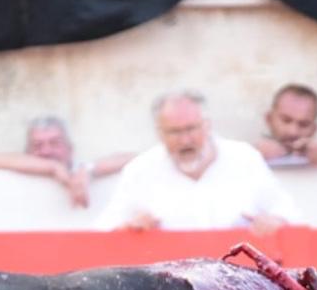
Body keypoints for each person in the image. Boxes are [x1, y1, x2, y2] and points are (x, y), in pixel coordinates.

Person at [96, 90, 300, 234]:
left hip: (236, 282)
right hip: (168, 287)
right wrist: (128, 229)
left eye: (191, 129)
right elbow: (102, 233)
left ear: (207, 125)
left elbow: (289, 212)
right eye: (174, 132)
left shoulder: (244, 159)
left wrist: (275, 221)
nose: (185, 140)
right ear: (159, 133)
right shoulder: (140, 170)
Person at [0, 116, 133, 208]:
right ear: (27, 152)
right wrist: (53, 167)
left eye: (55, 143)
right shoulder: (24, 170)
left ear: (70, 148)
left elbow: (136, 158)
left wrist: (89, 170)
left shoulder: (79, 171)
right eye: (37, 146)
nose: (46, 151)